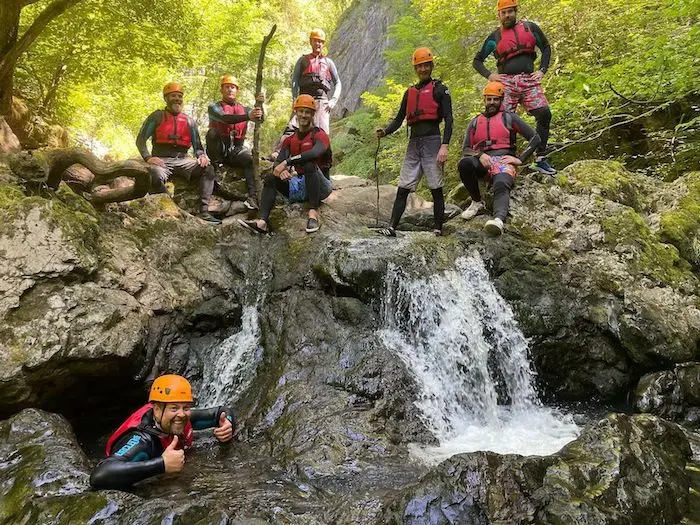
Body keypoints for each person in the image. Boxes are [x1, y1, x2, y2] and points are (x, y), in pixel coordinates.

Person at [90, 374, 234, 490]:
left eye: (186, 407)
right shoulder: (142, 440)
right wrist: (162, 464)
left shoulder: (183, 418)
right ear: (157, 411)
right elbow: (99, 475)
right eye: (174, 408)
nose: (181, 414)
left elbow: (221, 412)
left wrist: (227, 423)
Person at [375, 47, 453, 237]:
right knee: (403, 187)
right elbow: (399, 119)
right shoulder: (409, 93)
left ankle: (438, 229)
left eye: (426, 65)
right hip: (414, 144)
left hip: (433, 141)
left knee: (436, 187)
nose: (423, 69)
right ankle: (391, 226)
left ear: (431, 66)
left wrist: (445, 145)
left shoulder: (440, 89)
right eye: (420, 66)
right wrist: (385, 131)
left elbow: (449, 119)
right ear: (415, 69)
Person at [473, 0, 555, 175]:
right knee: (502, 120)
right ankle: (503, 162)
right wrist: (490, 76)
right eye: (503, 12)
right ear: (499, 15)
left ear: (515, 12)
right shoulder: (495, 37)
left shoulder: (530, 28)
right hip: (506, 83)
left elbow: (546, 48)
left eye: (510, 11)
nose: (507, 15)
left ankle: (540, 158)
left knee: (544, 113)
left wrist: (542, 70)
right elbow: (477, 61)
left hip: (528, 79)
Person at [237, 95, 332, 235]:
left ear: (312, 114)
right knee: (270, 178)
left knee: (309, 165)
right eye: (301, 111)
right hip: (299, 186)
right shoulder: (290, 139)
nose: (304, 115)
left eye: (307, 112)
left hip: (320, 186)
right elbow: (277, 165)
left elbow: (314, 153)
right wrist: (279, 171)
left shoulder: (320, 135)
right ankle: (262, 222)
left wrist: (288, 162)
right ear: (296, 112)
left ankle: (313, 213)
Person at [458, 81, 540, 236]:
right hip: (483, 162)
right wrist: (480, 155)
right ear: (484, 100)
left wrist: (520, 159)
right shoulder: (475, 122)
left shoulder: (510, 118)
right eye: (489, 99)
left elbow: (535, 138)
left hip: (504, 161)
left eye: (496, 99)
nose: (492, 102)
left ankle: (498, 220)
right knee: (464, 164)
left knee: (501, 183)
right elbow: (466, 149)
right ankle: (476, 202)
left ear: (501, 100)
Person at [136, 82, 221, 224]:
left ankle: (204, 212)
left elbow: (198, 146)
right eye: (173, 96)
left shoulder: (189, 121)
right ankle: (169, 208)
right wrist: (148, 157)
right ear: (166, 98)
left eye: (180, 96)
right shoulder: (156, 116)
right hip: (162, 159)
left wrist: (201, 156)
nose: (177, 99)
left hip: (183, 160)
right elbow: (140, 140)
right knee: (154, 175)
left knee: (209, 169)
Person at [206, 75, 264, 211]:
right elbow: (225, 118)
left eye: (233, 87)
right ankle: (217, 166)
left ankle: (252, 196)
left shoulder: (245, 109)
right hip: (220, 149)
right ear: (222, 89)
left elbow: (260, 119)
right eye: (227, 87)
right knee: (212, 133)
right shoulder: (214, 107)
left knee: (250, 159)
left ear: (237, 90)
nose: (230, 90)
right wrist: (248, 116)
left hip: (236, 150)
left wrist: (260, 106)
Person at [291, 28, 342, 135]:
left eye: (320, 41)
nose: (318, 43)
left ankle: (321, 151)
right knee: (293, 129)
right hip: (304, 100)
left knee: (321, 133)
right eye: (315, 40)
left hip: (322, 101)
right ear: (311, 42)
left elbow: (338, 82)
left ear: (323, 44)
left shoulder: (328, 62)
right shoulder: (303, 60)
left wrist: (333, 100)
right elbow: (295, 80)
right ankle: (282, 151)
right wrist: (294, 98)